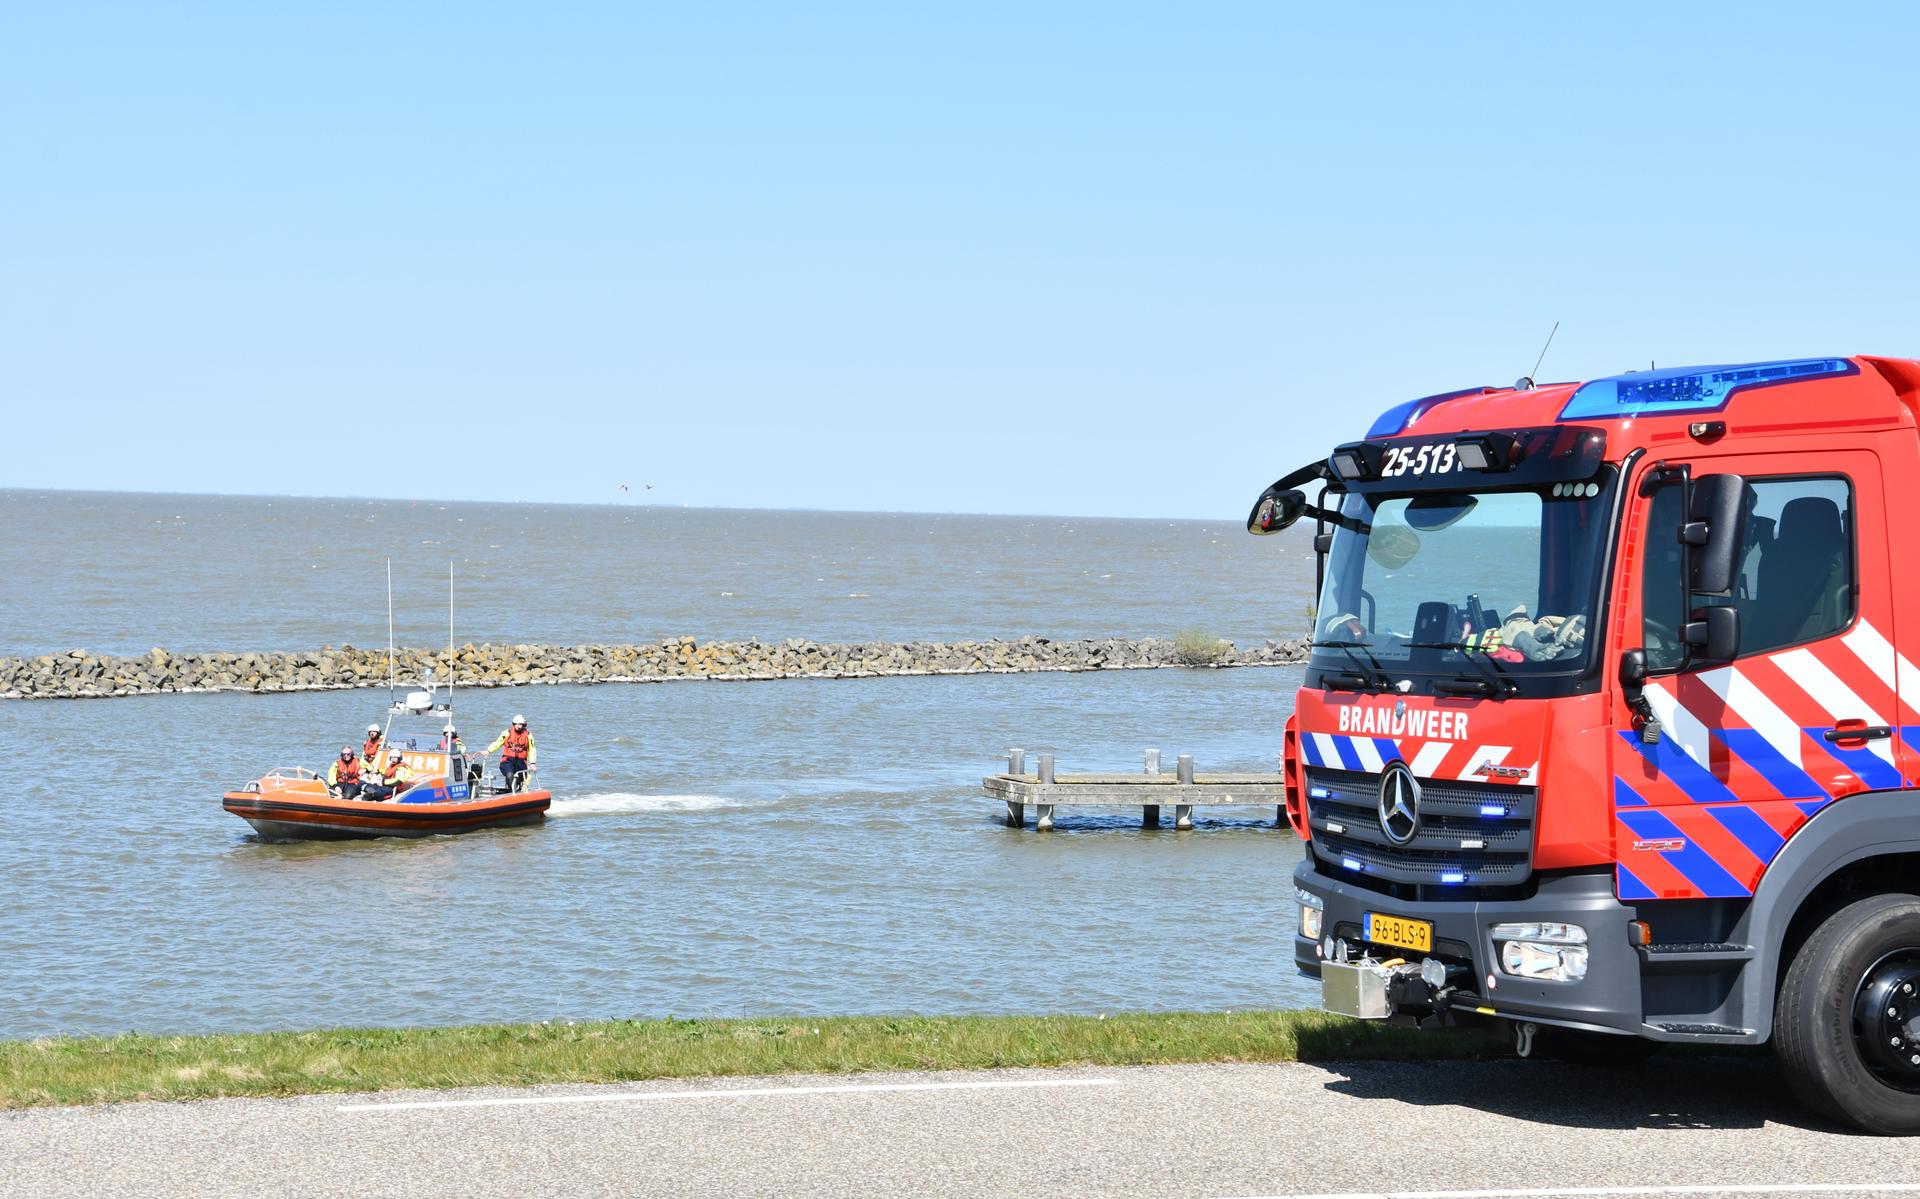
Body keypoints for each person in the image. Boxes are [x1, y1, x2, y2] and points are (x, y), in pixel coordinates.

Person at [487, 714, 536, 792]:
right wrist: (488, 751)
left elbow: (532, 749)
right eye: (515, 724)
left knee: (522, 779)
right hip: (508, 760)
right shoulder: (507, 733)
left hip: (521, 762)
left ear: (523, 725)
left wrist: (532, 763)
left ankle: (518, 789)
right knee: (510, 775)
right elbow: (498, 743)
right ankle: (513, 790)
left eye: (519, 724)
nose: (517, 726)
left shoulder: (528, 735)